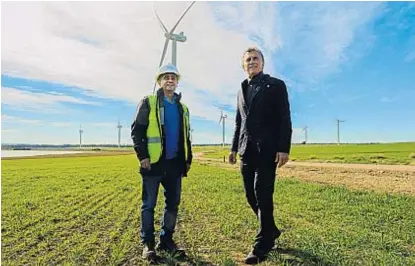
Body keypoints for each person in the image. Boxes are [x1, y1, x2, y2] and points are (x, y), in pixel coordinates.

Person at [229, 47, 292, 264]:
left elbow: (285, 117)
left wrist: (284, 148)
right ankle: (271, 229)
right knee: (249, 194)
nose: (252, 62)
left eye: (256, 58)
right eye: (248, 59)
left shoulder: (275, 85)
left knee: (262, 193)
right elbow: (239, 122)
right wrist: (233, 148)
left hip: (268, 149)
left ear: (263, 63)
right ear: (243, 65)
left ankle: (262, 244)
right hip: (246, 150)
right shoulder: (241, 89)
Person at [131, 63, 192, 263]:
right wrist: (142, 156)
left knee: (172, 205)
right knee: (148, 205)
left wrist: (187, 160)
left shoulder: (183, 108)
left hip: (175, 165)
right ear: (159, 81)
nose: (170, 80)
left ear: (177, 82)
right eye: (166, 77)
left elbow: (186, 137)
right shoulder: (148, 101)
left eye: (173, 77)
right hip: (153, 164)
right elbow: (137, 130)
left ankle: (166, 241)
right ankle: (148, 245)